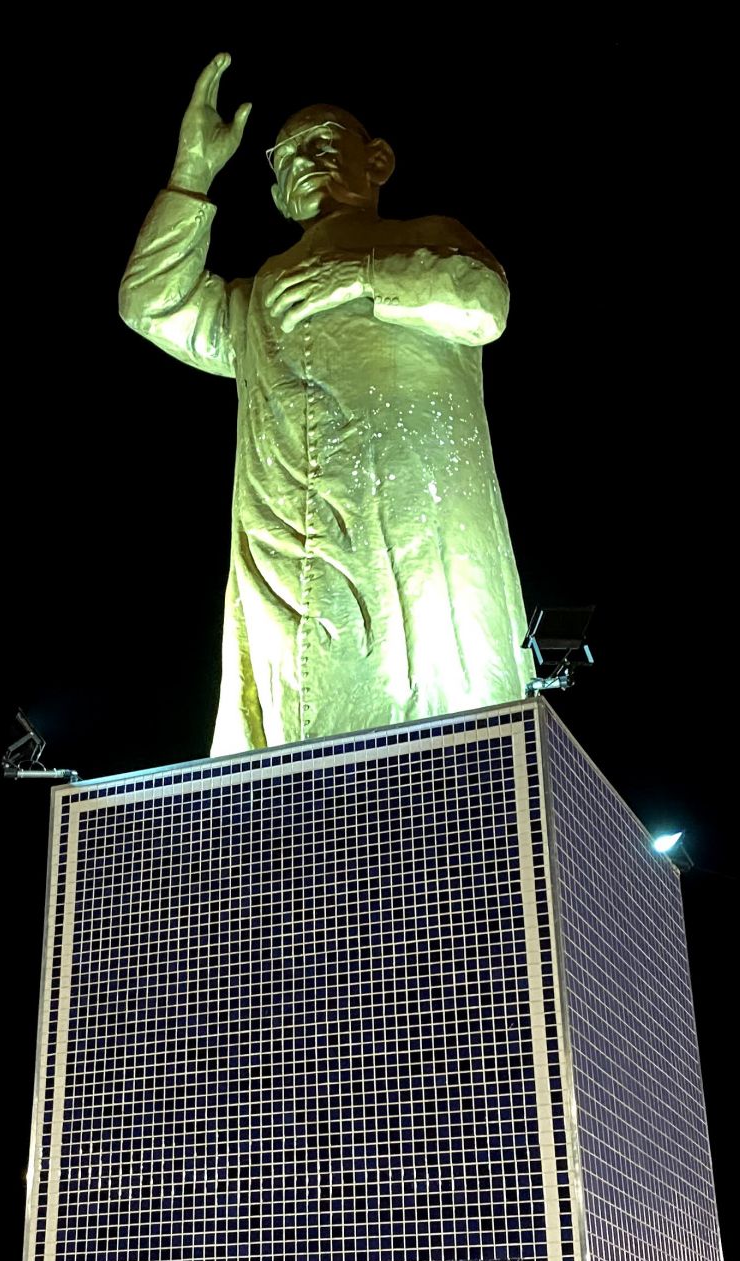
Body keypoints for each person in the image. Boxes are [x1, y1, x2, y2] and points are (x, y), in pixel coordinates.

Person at [119, 53, 535, 755]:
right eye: (283, 162)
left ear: (377, 161)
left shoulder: (422, 238)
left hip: (410, 534)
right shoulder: (253, 302)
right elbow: (151, 302)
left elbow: (485, 303)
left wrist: (363, 276)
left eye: (322, 143)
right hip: (286, 552)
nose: (302, 163)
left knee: (427, 705)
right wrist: (192, 171)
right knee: (295, 719)